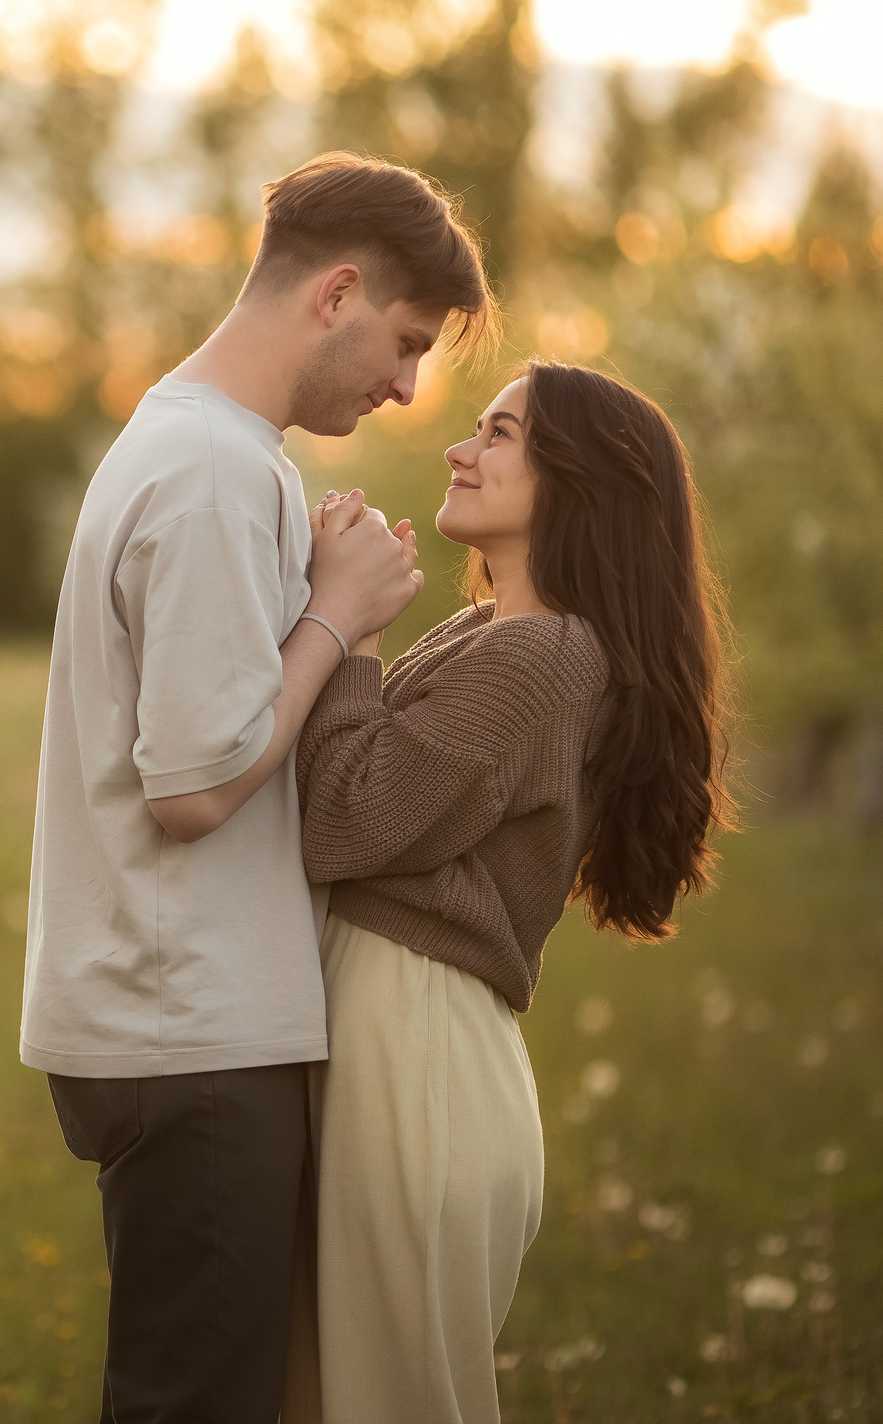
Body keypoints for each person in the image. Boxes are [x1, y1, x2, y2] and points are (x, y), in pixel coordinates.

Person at [19, 152, 492, 1424]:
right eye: (401, 344)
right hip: (190, 1028)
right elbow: (195, 780)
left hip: (173, 1016)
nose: (404, 388)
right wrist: (336, 619)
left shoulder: (191, 443)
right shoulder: (219, 470)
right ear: (333, 292)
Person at [285, 361, 734, 1424]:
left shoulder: (538, 656)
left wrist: (348, 632)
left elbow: (345, 818)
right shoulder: (501, 634)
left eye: (498, 434)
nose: (457, 447)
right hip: (407, 1043)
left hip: (419, 1055)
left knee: (384, 1405)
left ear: (579, 482)